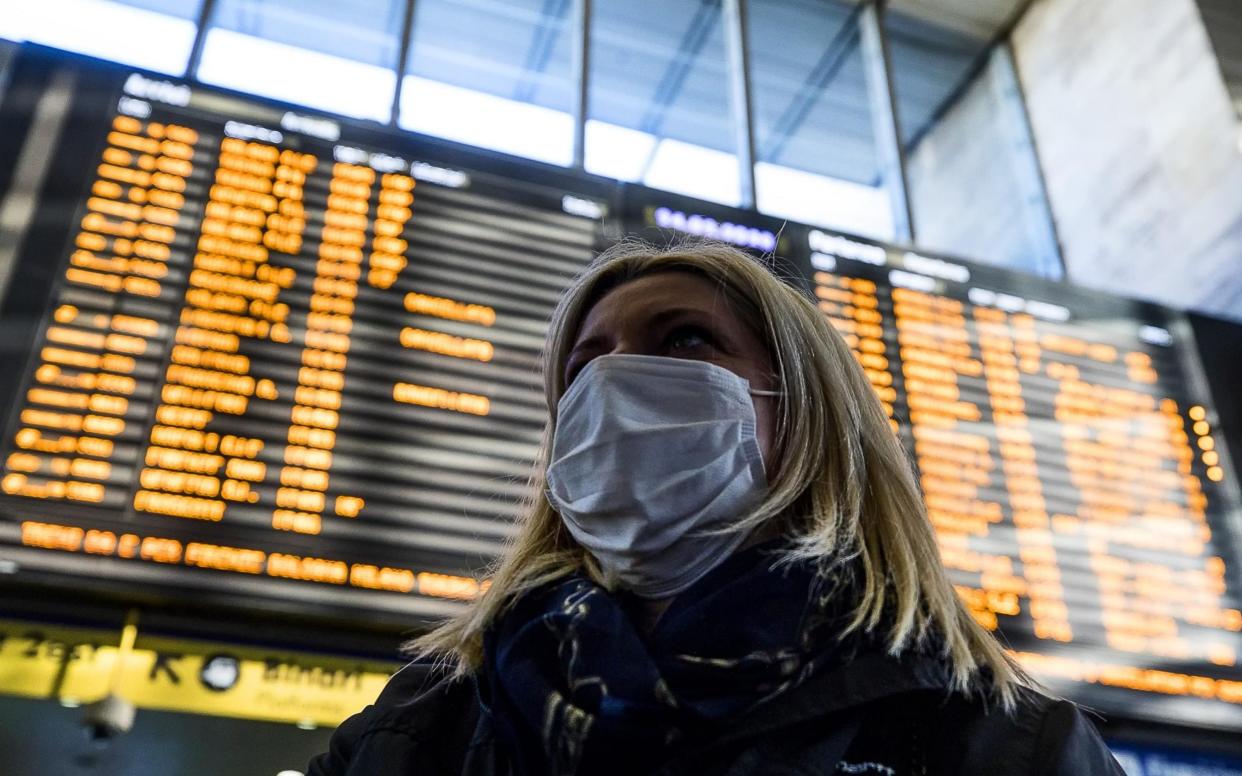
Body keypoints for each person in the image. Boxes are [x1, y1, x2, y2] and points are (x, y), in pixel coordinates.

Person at [309, 239, 1125, 775]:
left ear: (807, 413)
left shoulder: (1001, 746)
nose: (616, 382)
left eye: (686, 340)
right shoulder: (421, 726)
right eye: (586, 364)